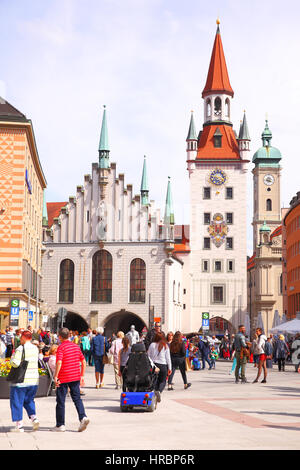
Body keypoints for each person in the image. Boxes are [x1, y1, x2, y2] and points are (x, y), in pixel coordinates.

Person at [52, 327, 89, 432]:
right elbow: (83, 362)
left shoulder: (61, 347)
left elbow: (59, 362)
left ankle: (60, 425)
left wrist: (56, 376)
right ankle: (83, 417)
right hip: (75, 376)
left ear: (60, 337)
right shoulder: (76, 347)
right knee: (77, 398)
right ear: (69, 336)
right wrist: (82, 375)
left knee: (60, 401)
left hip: (63, 377)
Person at [9, 330, 40, 433]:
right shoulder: (35, 348)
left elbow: (16, 363)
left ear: (23, 337)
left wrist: (11, 359)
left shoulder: (20, 348)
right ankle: (34, 418)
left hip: (21, 380)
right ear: (30, 338)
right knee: (29, 400)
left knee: (17, 401)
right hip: (33, 380)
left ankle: (19, 425)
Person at [147, 332, 171, 402]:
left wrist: (151, 364)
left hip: (154, 365)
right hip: (163, 365)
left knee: (155, 380)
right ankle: (159, 391)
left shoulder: (152, 345)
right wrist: (169, 368)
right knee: (163, 381)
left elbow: (148, 356)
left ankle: (156, 392)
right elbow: (168, 358)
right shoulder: (165, 346)